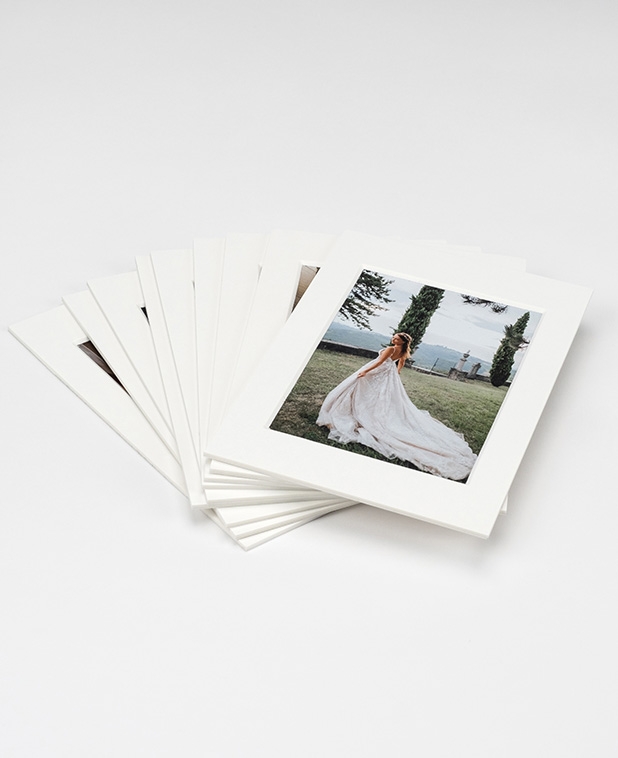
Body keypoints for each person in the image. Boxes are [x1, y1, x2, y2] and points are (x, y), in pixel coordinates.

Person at [316, 333, 477, 481]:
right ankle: (367, 410)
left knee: (364, 390)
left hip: (379, 371)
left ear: (402, 341)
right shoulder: (403, 351)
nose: (394, 339)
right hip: (388, 373)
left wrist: (365, 371)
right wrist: (396, 372)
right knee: (380, 397)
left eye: (397, 338)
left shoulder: (391, 349)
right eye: (394, 337)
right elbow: (401, 362)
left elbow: (379, 362)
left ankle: (360, 411)